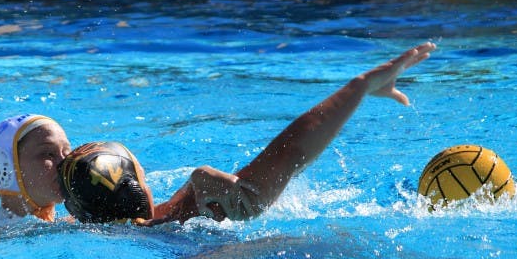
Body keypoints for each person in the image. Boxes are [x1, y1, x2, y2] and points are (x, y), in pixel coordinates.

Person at [59, 42, 437, 225]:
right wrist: (359, 86)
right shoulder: (200, 195)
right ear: (140, 178)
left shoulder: (88, 232)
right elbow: (289, 153)